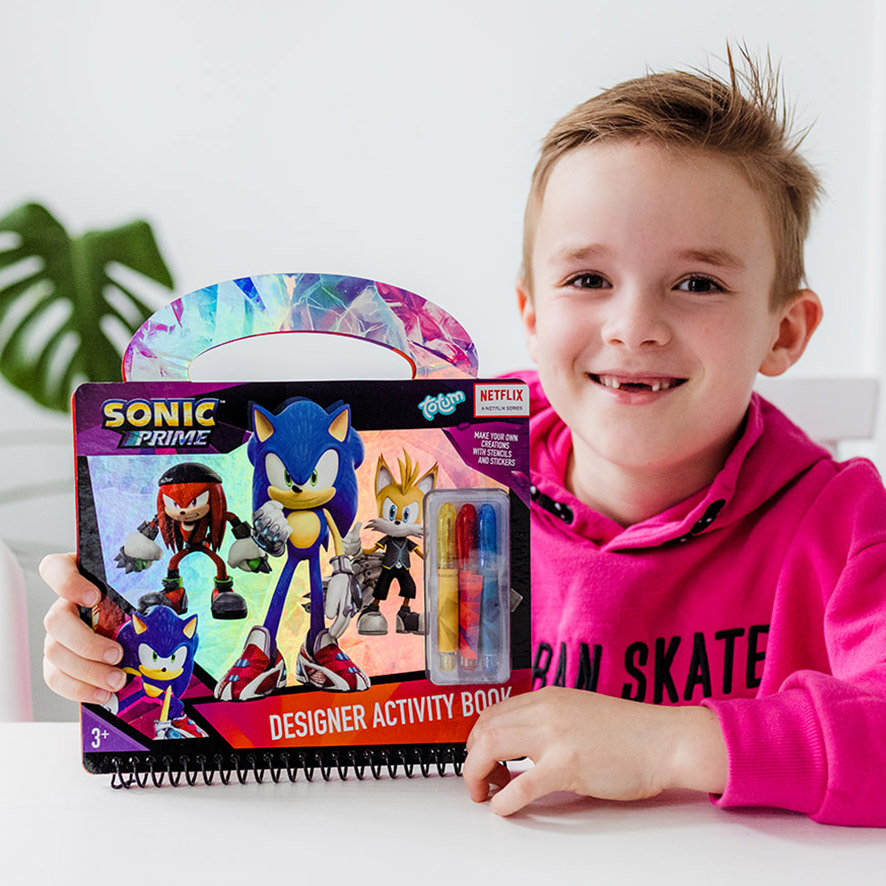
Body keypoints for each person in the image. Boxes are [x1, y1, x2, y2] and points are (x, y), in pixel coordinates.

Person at [40, 49, 886, 827]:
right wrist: (113, 650)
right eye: (588, 277)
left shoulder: (845, 526)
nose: (634, 326)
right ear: (531, 314)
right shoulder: (451, 453)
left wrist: (673, 743)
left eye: (697, 283)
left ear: (784, 331)